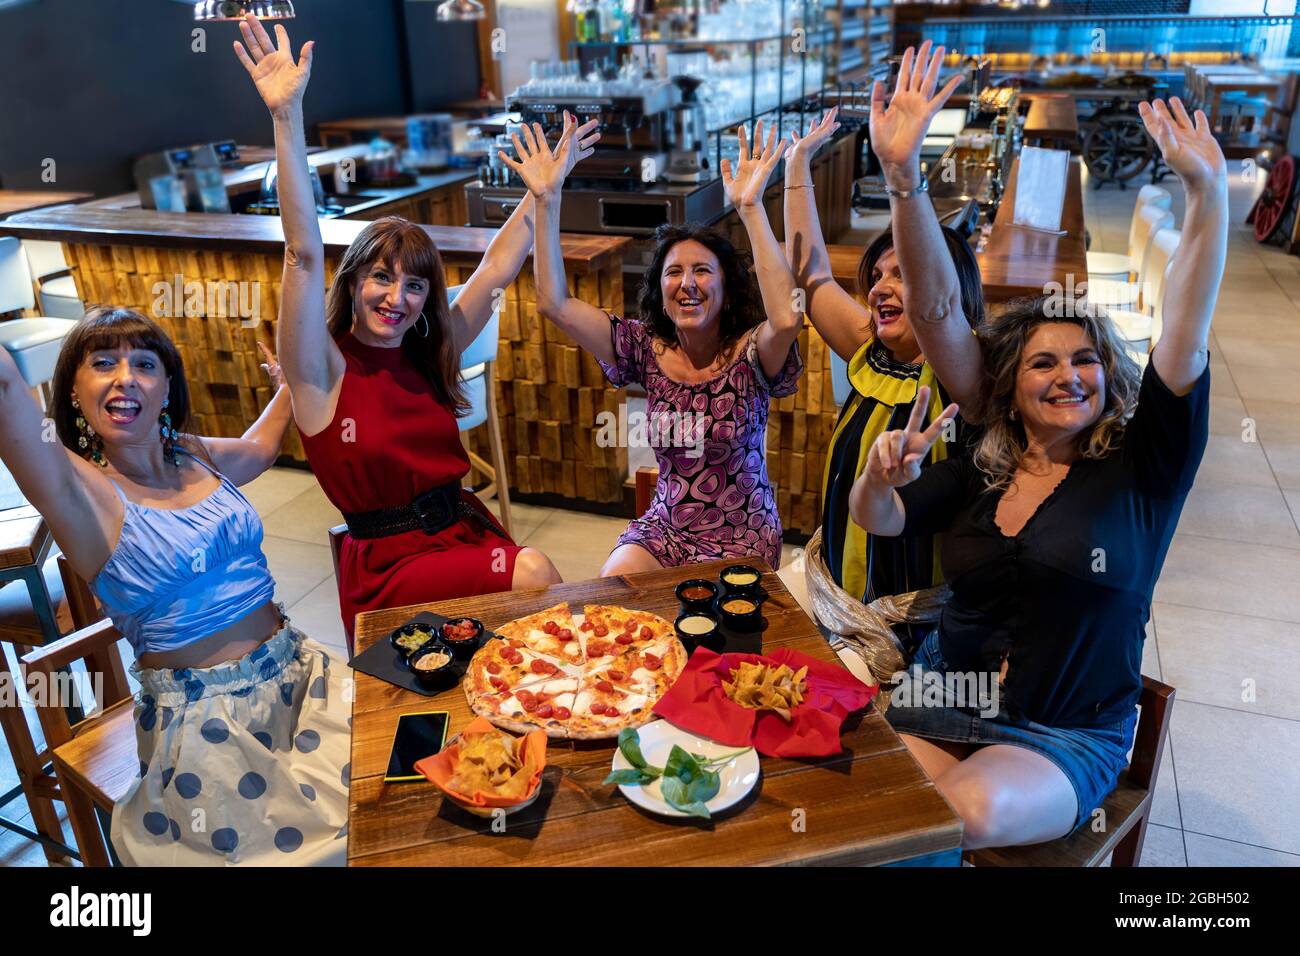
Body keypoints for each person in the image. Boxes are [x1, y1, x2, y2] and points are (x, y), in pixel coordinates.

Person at [850, 95, 1228, 848]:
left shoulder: (1144, 468)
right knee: (871, 816)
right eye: (1042, 363)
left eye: (1085, 359)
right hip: (940, 695)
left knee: (953, 818)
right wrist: (877, 479)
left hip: (1064, 732)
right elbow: (879, 515)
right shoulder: (984, 465)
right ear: (1009, 389)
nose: (1069, 376)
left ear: (1108, 374)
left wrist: (1207, 195)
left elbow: (1184, 336)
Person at [231, 16, 592, 647]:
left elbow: (496, 269)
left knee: (523, 632)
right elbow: (301, 252)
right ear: (353, 283)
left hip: (461, 530)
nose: (397, 298)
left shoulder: (428, 346)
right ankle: (582, 700)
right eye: (381, 278)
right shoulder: (320, 369)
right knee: (535, 571)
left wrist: (544, 195)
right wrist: (287, 117)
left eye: (416, 285)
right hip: (388, 566)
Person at [0, 307, 349, 865]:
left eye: (144, 363)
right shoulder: (78, 492)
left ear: (165, 387)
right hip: (207, 729)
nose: (125, 377)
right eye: (103, 363)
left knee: (409, 774)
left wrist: (286, 386)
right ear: (72, 392)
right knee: (313, 855)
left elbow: (258, 450)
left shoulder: (192, 454)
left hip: (302, 675)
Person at [500, 118, 804, 574]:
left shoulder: (750, 352)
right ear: (659, 289)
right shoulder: (643, 347)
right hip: (666, 529)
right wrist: (547, 198)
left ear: (726, 286)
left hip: (744, 536)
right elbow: (554, 303)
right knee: (613, 593)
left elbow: (786, 316)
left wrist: (751, 207)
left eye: (702, 270)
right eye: (673, 272)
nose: (687, 283)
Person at [783, 43, 984, 653]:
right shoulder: (871, 352)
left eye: (903, 273)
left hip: (911, 624)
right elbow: (813, 276)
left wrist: (903, 176)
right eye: (877, 275)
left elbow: (937, 310)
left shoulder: (964, 369)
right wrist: (796, 166)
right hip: (836, 601)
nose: (881, 286)